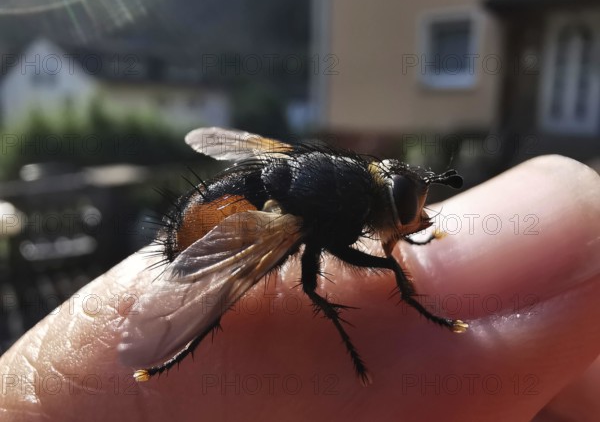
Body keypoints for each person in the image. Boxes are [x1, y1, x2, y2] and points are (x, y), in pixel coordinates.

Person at [0, 155, 598, 421]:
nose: (413, 214)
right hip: (227, 223)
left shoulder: (353, 182)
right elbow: (314, 289)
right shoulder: (310, 219)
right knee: (239, 286)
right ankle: (176, 355)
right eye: (406, 209)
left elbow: (268, 163)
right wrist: (363, 325)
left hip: (252, 189)